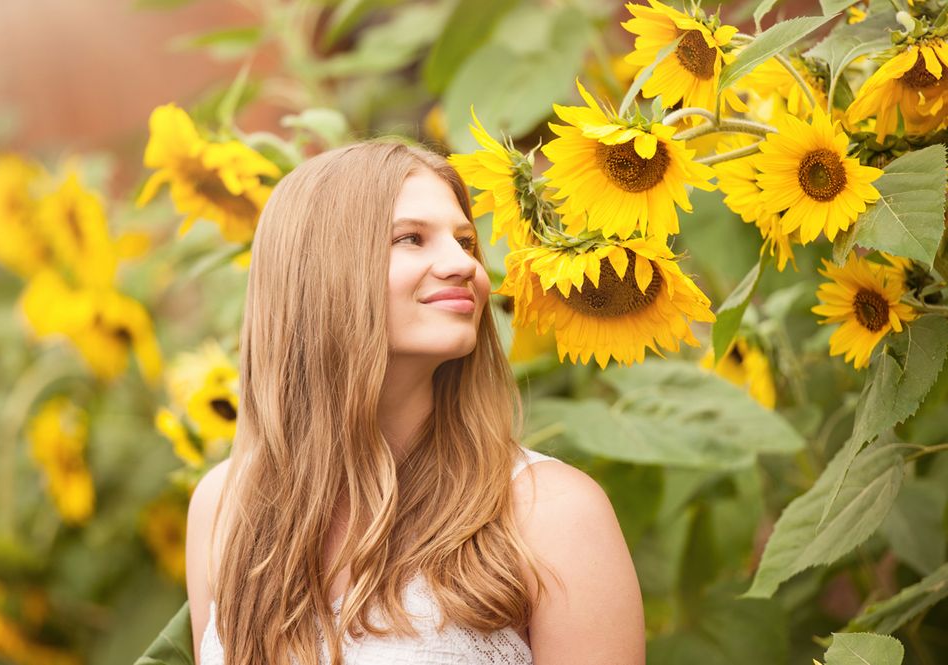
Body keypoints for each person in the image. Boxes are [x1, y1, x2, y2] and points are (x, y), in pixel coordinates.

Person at [184, 140, 645, 665]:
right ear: (316, 273)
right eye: (411, 238)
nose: (463, 265)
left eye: (466, 242)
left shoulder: (552, 515)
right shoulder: (226, 506)